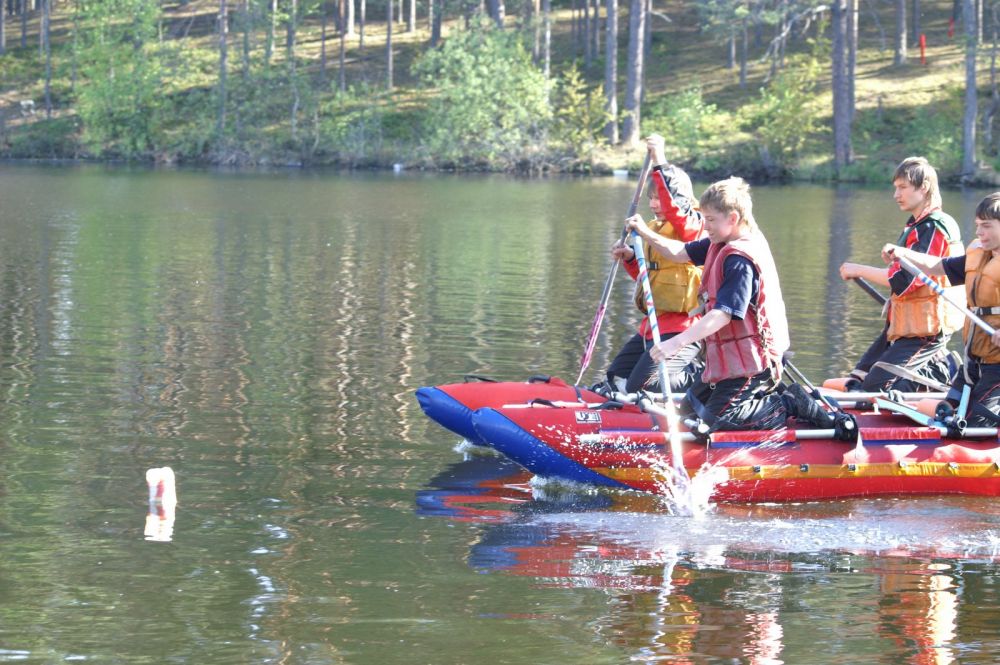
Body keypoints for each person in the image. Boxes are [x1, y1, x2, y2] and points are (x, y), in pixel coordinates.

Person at [627, 176, 847, 434]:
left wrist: (675, 343)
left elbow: (723, 314)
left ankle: (787, 403)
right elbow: (679, 253)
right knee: (688, 412)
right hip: (730, 360)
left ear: (732, 218)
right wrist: (644, 232)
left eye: (710, 219)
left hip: (755, 363)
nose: (705, 225)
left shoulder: (739, 260)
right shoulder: (718, 242)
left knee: (716, 422)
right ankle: (757, 401)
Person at [839, 157, 965, 393]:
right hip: (906, 326)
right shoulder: (917, 226)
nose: (896, 194)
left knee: (874, 388)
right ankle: (929, 366)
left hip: (925, 331)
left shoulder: (933, 227)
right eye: (895, 187)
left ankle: (940, 369)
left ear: (923, 187)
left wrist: (858, 269)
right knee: (857, 380)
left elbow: (902, 281)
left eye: (903, 187)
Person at [880, 192, 1000, 427]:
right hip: (974, 360)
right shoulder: (979, 256)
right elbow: (938, 266)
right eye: (977, 225)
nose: (978, 232)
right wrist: (903, 253)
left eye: (986, 226)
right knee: (947, 411)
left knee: (976, 423)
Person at [606, 134, 706, 394]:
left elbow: (676, 207)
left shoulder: (693, 226)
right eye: (651, 198)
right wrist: (630, 257)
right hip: (654, 325)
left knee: (643, 385)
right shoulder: (656, 227)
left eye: (658, 198)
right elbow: (649, 277)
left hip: (683, 330)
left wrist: (659, 159)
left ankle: (704, 379)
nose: (653, 204)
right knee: (616, 376)